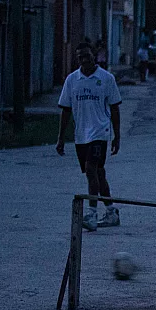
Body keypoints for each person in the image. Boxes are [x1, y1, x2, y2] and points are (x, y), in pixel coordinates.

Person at [57, 42, 122, 231]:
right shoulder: (72, 80)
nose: (84, 60)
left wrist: (117, 136)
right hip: (81, 135)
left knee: (91, 169)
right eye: (80, 57)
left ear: (94, 56)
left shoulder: (106, 78)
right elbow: (66, 110)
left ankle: (91, 214)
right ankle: (111, 211)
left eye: (87, 56)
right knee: (98, 174)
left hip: (100, 132)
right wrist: (61, 137)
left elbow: (115, 108)